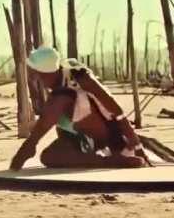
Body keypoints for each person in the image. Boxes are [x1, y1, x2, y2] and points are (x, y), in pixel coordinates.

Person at [10, 47, 149, 170]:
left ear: (47, 72)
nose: (36, 78)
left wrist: (136, 144)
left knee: (61, 98)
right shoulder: (53, 88)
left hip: (110, 137)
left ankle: (29, 145)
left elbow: (116, 110)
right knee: (48, 157)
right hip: (82, 139)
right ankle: (106, 161)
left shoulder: (80, 78)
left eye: (38, 74)